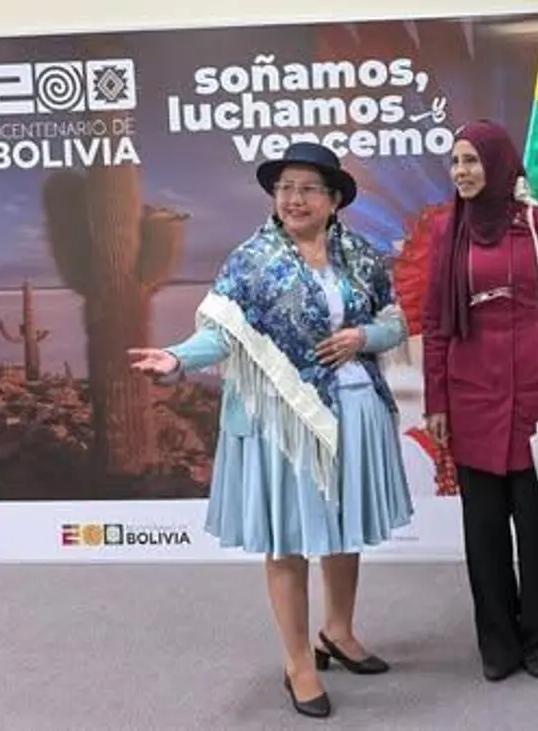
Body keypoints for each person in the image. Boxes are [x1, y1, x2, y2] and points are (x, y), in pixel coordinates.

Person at [127, 142, 414, 720]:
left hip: (352, 407)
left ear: (334, 200)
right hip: (281, 422)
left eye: (307, 188)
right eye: (284, 188)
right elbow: (222, 333)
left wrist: (364, 339)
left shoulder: (360, 253)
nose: (293, 199)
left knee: (342, 527)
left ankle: (338, 631)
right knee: (288, 539)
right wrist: (178, 358)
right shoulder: (250, 260)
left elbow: (393, 319)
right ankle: (298, 663)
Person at [421, 120, 538, 682]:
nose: (462, 172)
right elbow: (434, 325)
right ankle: (497, 642)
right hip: (472, 401)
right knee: (484, 533)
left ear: (498, 164)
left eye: (472, 161)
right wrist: (436, 403)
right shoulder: (448, 234)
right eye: (455, 162)